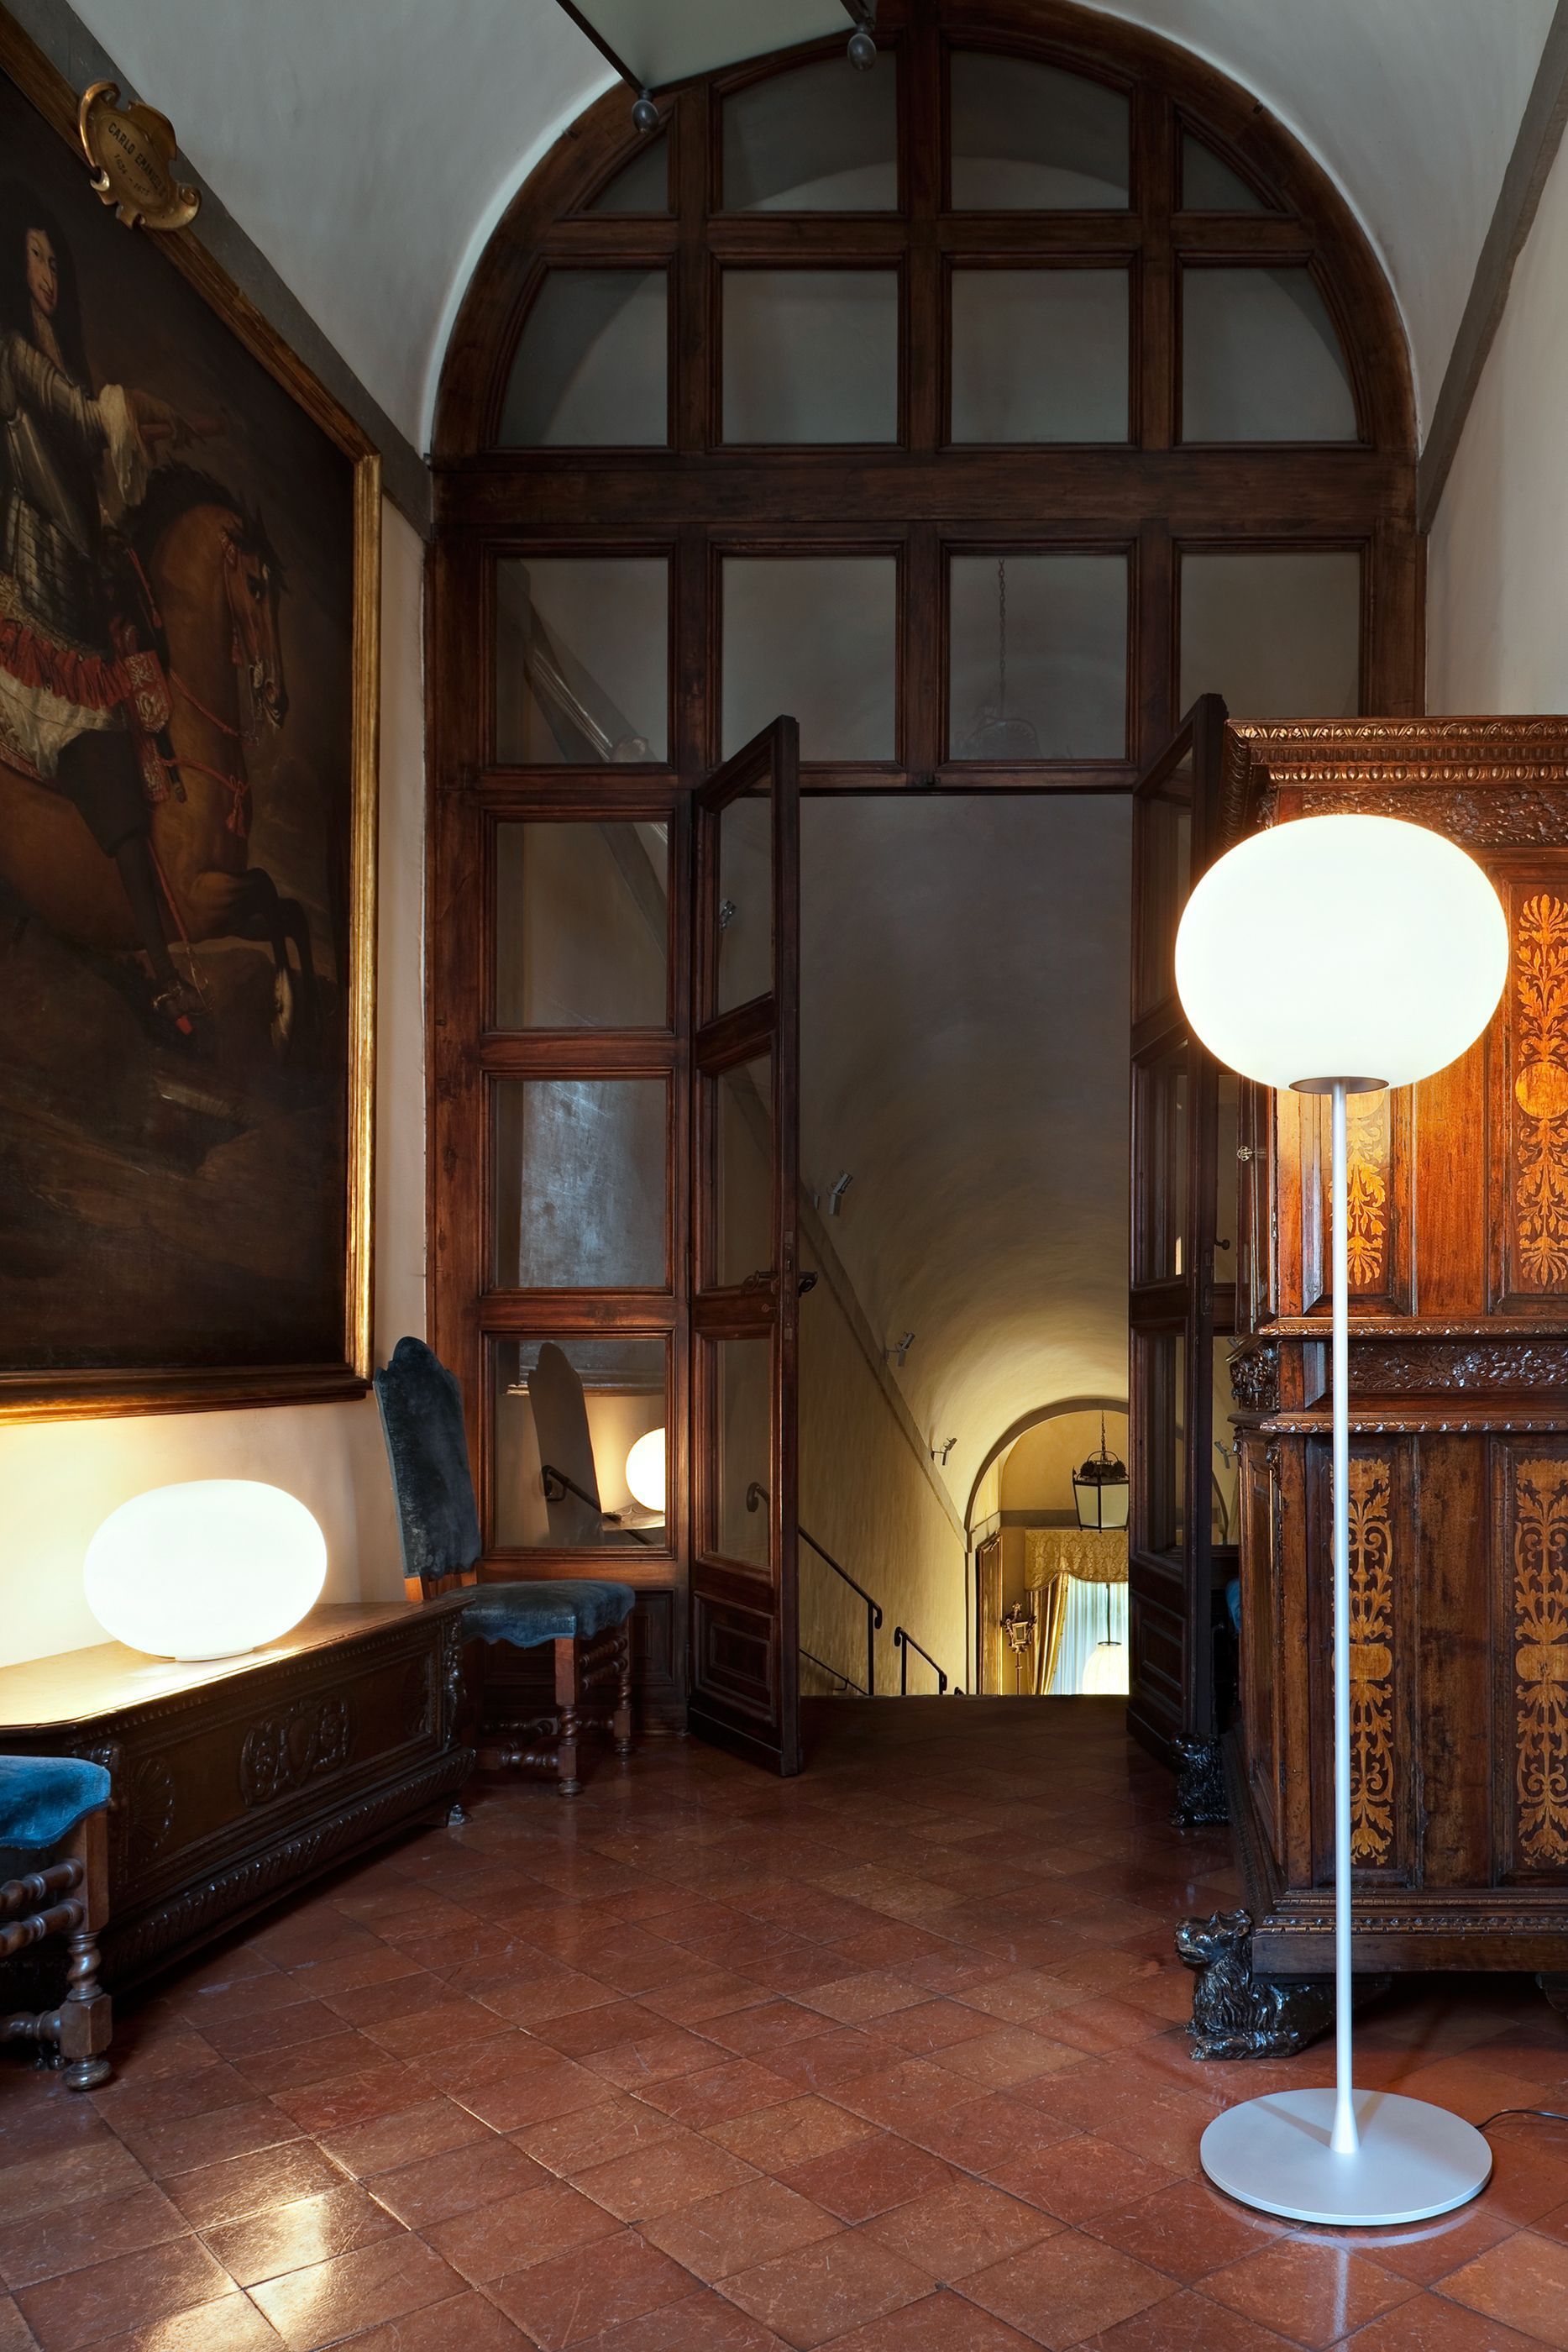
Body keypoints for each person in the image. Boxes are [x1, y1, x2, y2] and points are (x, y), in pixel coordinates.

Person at [0, 190, 202, 1032]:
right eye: (35, 257)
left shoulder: (64, 359)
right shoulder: (16, 353)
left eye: (56, 260)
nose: (48, 274)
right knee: (104, 772)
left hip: (77, 602)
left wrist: (144, 425)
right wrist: (140, 409)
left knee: (123, 783)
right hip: (33, 597)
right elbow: (86, 420)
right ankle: (161, 976)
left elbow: (92, 450)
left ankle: (159, 970)